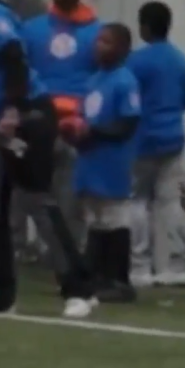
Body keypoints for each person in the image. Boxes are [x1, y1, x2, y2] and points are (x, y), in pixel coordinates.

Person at [0, 0, 95, 318]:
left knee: (37, 200)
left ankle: (80, 287)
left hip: (25, 117)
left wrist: (11, 111)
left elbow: (15, 61)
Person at [22, 0, 102, 242]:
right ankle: (26, 250)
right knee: (28, 194)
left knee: (70, 200)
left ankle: (68, 255)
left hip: (77, 130)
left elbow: (104, 81)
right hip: (38, 124)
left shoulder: (99, 33)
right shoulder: (32, 29)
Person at [65, 23, 141, 304]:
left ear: (123, 48)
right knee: (95, 219)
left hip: (113, 162)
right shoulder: (92, 81)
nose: (99, 46)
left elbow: (128, 124)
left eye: (107, 42)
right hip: (90, 160)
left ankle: (119, 280)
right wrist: (74, 133)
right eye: (98, 40)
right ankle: (96, 275)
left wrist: (92, 133)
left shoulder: (125, 81)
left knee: (114, 218)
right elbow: (83, 119)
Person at [126, 1, 185, 287]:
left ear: (144, 26)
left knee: (137, 202)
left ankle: (139, 266)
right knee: (171, 204)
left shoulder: (135, 61)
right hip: (172, 137)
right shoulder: (181, 60)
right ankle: (177, 265)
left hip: (141, 138)